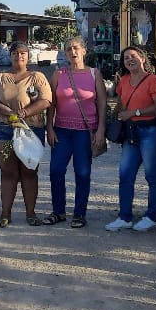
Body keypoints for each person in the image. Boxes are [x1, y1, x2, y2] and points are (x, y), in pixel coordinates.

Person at [0, 42, 51, 228]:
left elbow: (46, 100)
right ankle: (5, 213)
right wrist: (7, 112)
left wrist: (24, 113)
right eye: (15, 53)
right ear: (10, 56)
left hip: (31, 131)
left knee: (29, 172)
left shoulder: (37, 77)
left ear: (28, 57)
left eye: (23, 53)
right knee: (8, 172)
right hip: (5, 130)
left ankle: (31, 214)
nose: (19, 56)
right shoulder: (0, 77)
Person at [45, 36, 107, 228]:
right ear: (65, 53)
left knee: (82, 172)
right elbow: (51, 103)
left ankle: (79, 213)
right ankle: (58, 211)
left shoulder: (94, 74)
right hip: (62, 130)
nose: (73, 52)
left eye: (76, 48)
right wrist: (49, 128)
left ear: (84, 51)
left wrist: (101, 131)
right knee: (56, 170)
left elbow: (103, 103)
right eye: (69, 49)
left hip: (84, 132)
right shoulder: (59, 74)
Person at [105, 46, 156, 232]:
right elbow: (121, 104)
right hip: (130, 133)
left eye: (133, 56)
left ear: (142, 58)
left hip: (150, 131)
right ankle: (124, 217)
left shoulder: (153, 80)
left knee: (152, 176)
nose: (129, 60)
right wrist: (112, 125)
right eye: (126, 58)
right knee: (125, 175)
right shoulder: (123, 80)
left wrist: (135, 112)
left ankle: (152, 216)